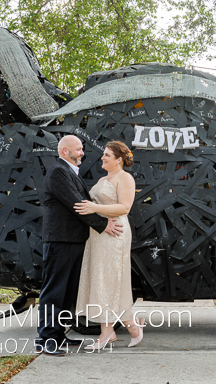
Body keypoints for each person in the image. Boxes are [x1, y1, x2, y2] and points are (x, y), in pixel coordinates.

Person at [37, 135, 123, 356]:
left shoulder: (68, 171)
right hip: (60, 240)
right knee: (54, 291)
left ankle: (58, 335)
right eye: (78, 149)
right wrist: (103, 224)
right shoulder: (58, 171)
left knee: (66, 293)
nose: (82, 152)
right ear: (65, 151)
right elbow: (77, 204)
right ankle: (47, 339)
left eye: (82, 148)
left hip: (72, 239)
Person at [74, 140, 144, 350]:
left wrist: (94, 208)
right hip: (98, 234)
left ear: (119, 159)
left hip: (115, 232)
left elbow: (125, 207)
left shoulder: (125, 178)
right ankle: (113, 330)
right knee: (101, 280)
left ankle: (121, 329)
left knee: (112, 280)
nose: (102, 158)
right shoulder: (103, 179)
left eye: (107, 155)